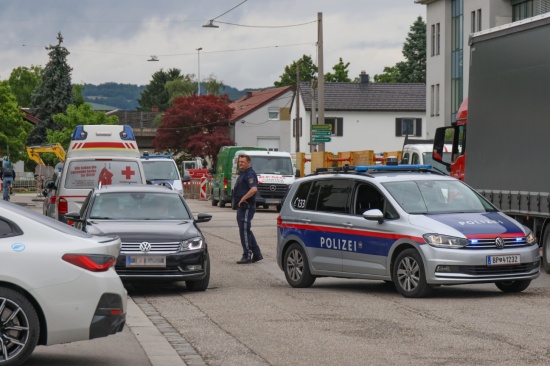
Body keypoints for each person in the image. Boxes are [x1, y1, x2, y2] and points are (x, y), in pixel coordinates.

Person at [233, 154, 263, 264]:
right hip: (241, 207)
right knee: (246, 230)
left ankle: (247, 255)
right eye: (239, 162)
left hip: (246, 206)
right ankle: (257, 253)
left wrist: (242, 199)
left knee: (244, 231)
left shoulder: (250, 174)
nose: (240, 163)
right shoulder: (243, 174)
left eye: (243, 162)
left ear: (248, 163)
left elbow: (254, 189)